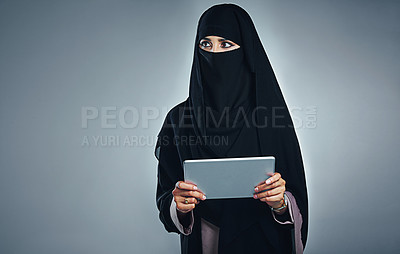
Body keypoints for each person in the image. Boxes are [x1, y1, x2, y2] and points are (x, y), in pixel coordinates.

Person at [154, 3, 308, 254]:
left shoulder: (271, 117)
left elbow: (296, 198)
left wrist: (280, 202)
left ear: (245, 51)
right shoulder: (178, 119)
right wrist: (178, 206)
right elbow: (165, 198)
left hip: (263, 243)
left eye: (226, 44)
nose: (214, 53)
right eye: (206, 44)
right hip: (205, 244)